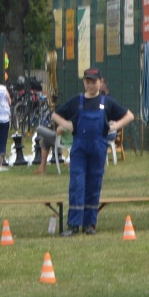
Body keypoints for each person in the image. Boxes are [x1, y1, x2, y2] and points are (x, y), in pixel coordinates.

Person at [52, 68, 134, 234]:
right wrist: (67, 125)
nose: (90, 85)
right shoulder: (77, 101)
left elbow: (129, 116)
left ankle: (89, 224)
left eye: (93, 82)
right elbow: (55, 115)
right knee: (77, 183)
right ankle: (73, 224)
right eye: (87, 82)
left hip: (98, 147)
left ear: (100, 82)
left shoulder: (106, 102)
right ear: (84, 83)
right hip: (79, 148)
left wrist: (115, 126)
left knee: (94, 184)